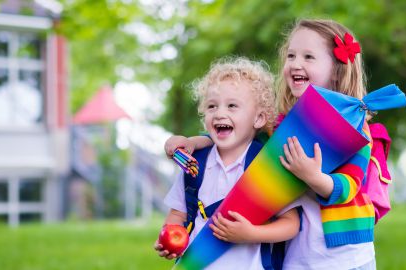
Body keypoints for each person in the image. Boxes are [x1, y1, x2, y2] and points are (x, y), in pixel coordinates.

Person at [165, 19, 378, 270]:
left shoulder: (355, 126)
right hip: (297, 253)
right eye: (291, 55)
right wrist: (193, 141)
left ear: (337, 69)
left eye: (308, 57)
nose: (295, 64)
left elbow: (349, 186)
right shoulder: (281, 124)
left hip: (343, 256)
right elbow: (240, 133)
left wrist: (313, 177)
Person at [155, 57, 300, 269]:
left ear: (258, 118)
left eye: (232, 106)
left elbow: (291, 224)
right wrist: (169, 238)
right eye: (212, 106)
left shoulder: (267, 166)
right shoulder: (195, 165)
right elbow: (178, 213)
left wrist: (251, 234)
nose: (220, 113)